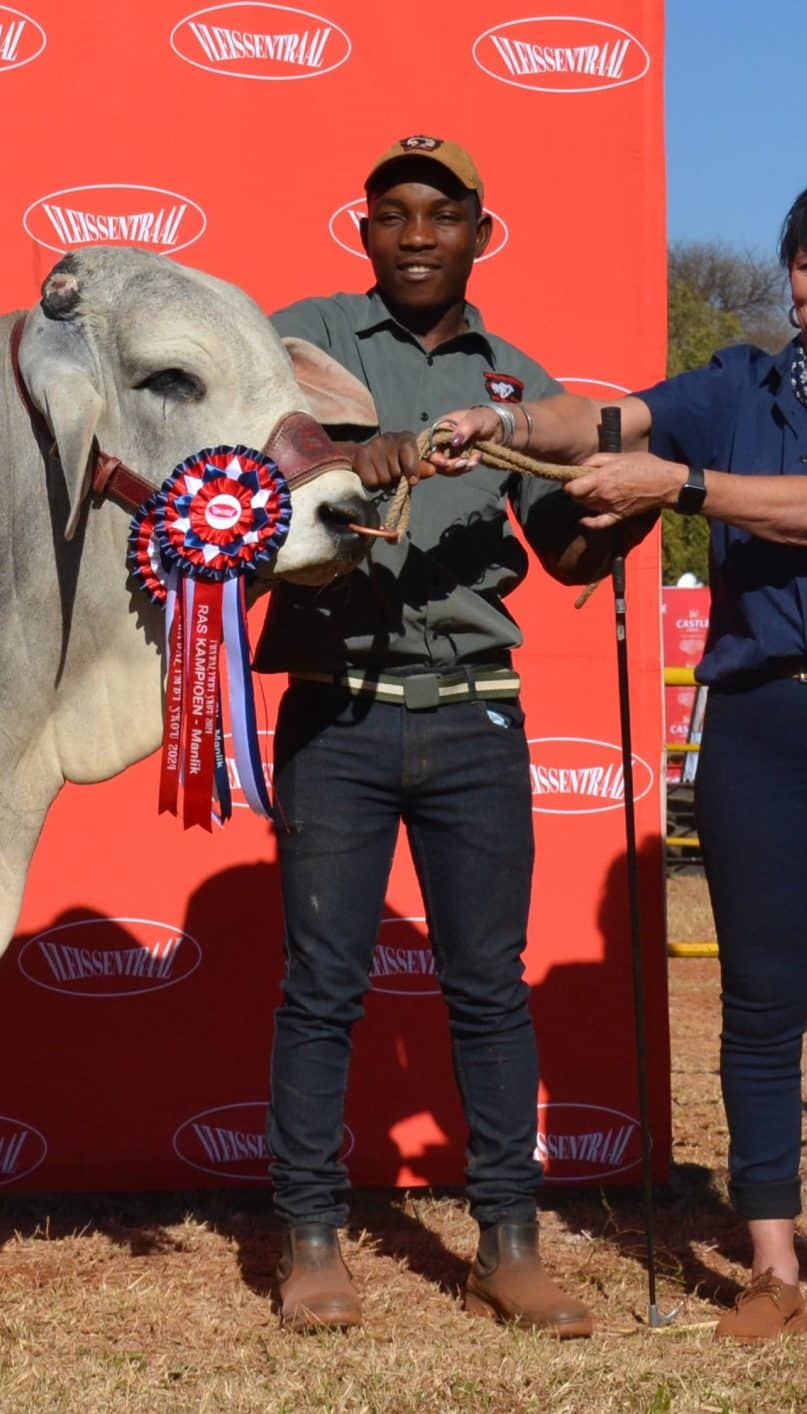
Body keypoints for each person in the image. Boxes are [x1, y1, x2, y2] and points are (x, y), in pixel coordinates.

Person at [430, 173, 807, 1350]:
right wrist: (507, 425)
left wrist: (680, 485)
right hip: (757, 731)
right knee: (760, 1003)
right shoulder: (733, 384)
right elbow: (602, 422)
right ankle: (769, 1264)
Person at [255, 135, 643, 1337]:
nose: (416, 234)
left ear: (484, 232)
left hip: (477, 714)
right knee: (323, 986)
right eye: (393, 213)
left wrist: (622, 501)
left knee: (487, 989)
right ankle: (311, 1238)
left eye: (442, 214)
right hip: (339, 708)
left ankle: (508, 1244)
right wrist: (332, 455)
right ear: (360, 228)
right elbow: (251, 474)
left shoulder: (519, 382)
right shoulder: (299, 343)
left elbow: (563, 552)